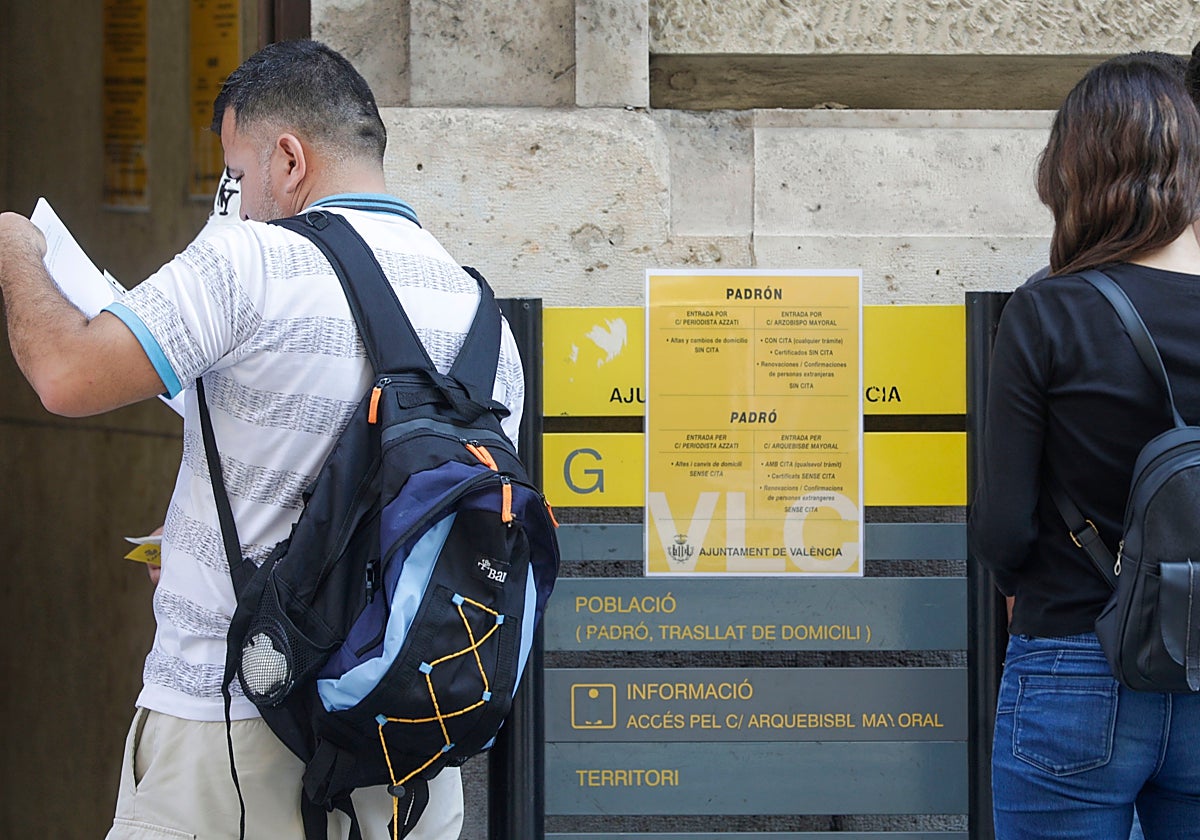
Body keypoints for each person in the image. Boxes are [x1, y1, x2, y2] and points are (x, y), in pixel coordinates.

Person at [0, 39, 525, 839]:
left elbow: (66, 373)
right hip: (411, 753)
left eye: (235, 176)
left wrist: (14, 247)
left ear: (287, 159)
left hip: (232, 734)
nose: (234, 201)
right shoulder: (484, 322)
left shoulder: (251, 261)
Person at [968, 52, 1200, 838]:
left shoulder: (1046, 314)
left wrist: (1017, 587)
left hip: (1074, 657)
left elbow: (1003, 526)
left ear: (1076, 173)